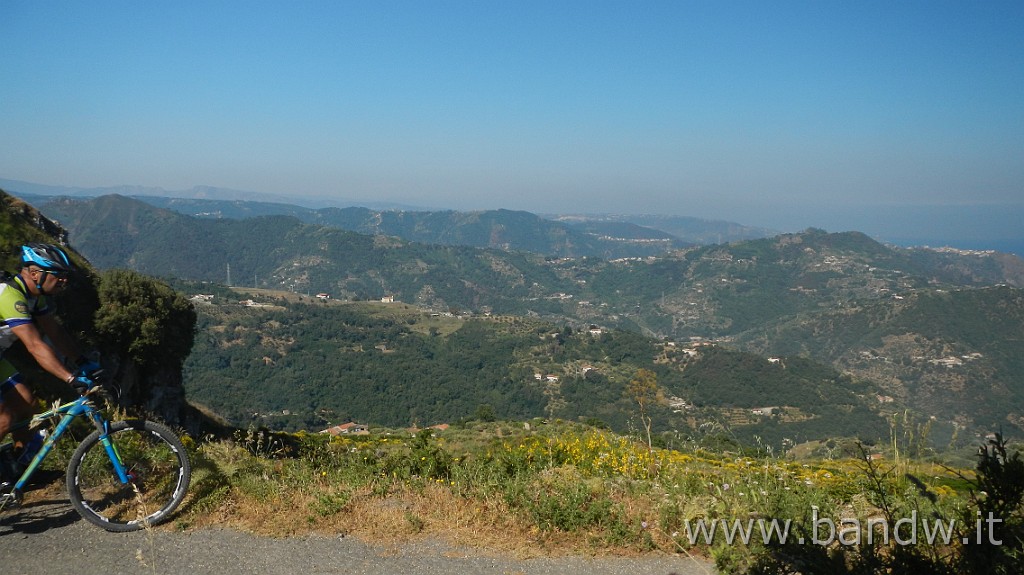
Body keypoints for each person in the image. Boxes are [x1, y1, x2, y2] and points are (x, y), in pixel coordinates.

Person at [0, 243, 97, 480]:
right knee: (4, 418)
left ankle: (17, 472)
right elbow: (35, 346)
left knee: (26, 404)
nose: (64, 281)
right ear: (35, 274)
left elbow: (56, 333)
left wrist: (82, 360)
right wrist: (70, 378)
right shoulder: (10, 296)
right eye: (58, 275)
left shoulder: (35, 297)